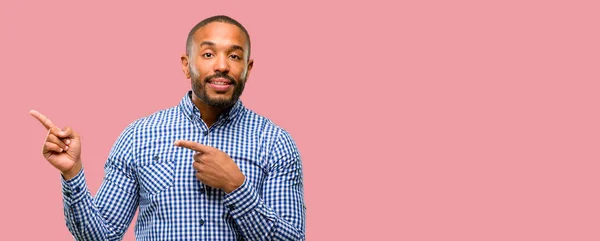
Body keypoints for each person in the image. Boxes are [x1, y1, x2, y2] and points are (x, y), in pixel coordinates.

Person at [30, 15, 306, 241]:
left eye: (234, 57)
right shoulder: (139, 136)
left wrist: (236, 186)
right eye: (208, 54)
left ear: (248, 68)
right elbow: (102, 236)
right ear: (187, 66)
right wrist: (72, 172)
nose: (222, 66)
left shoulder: (275, 142)